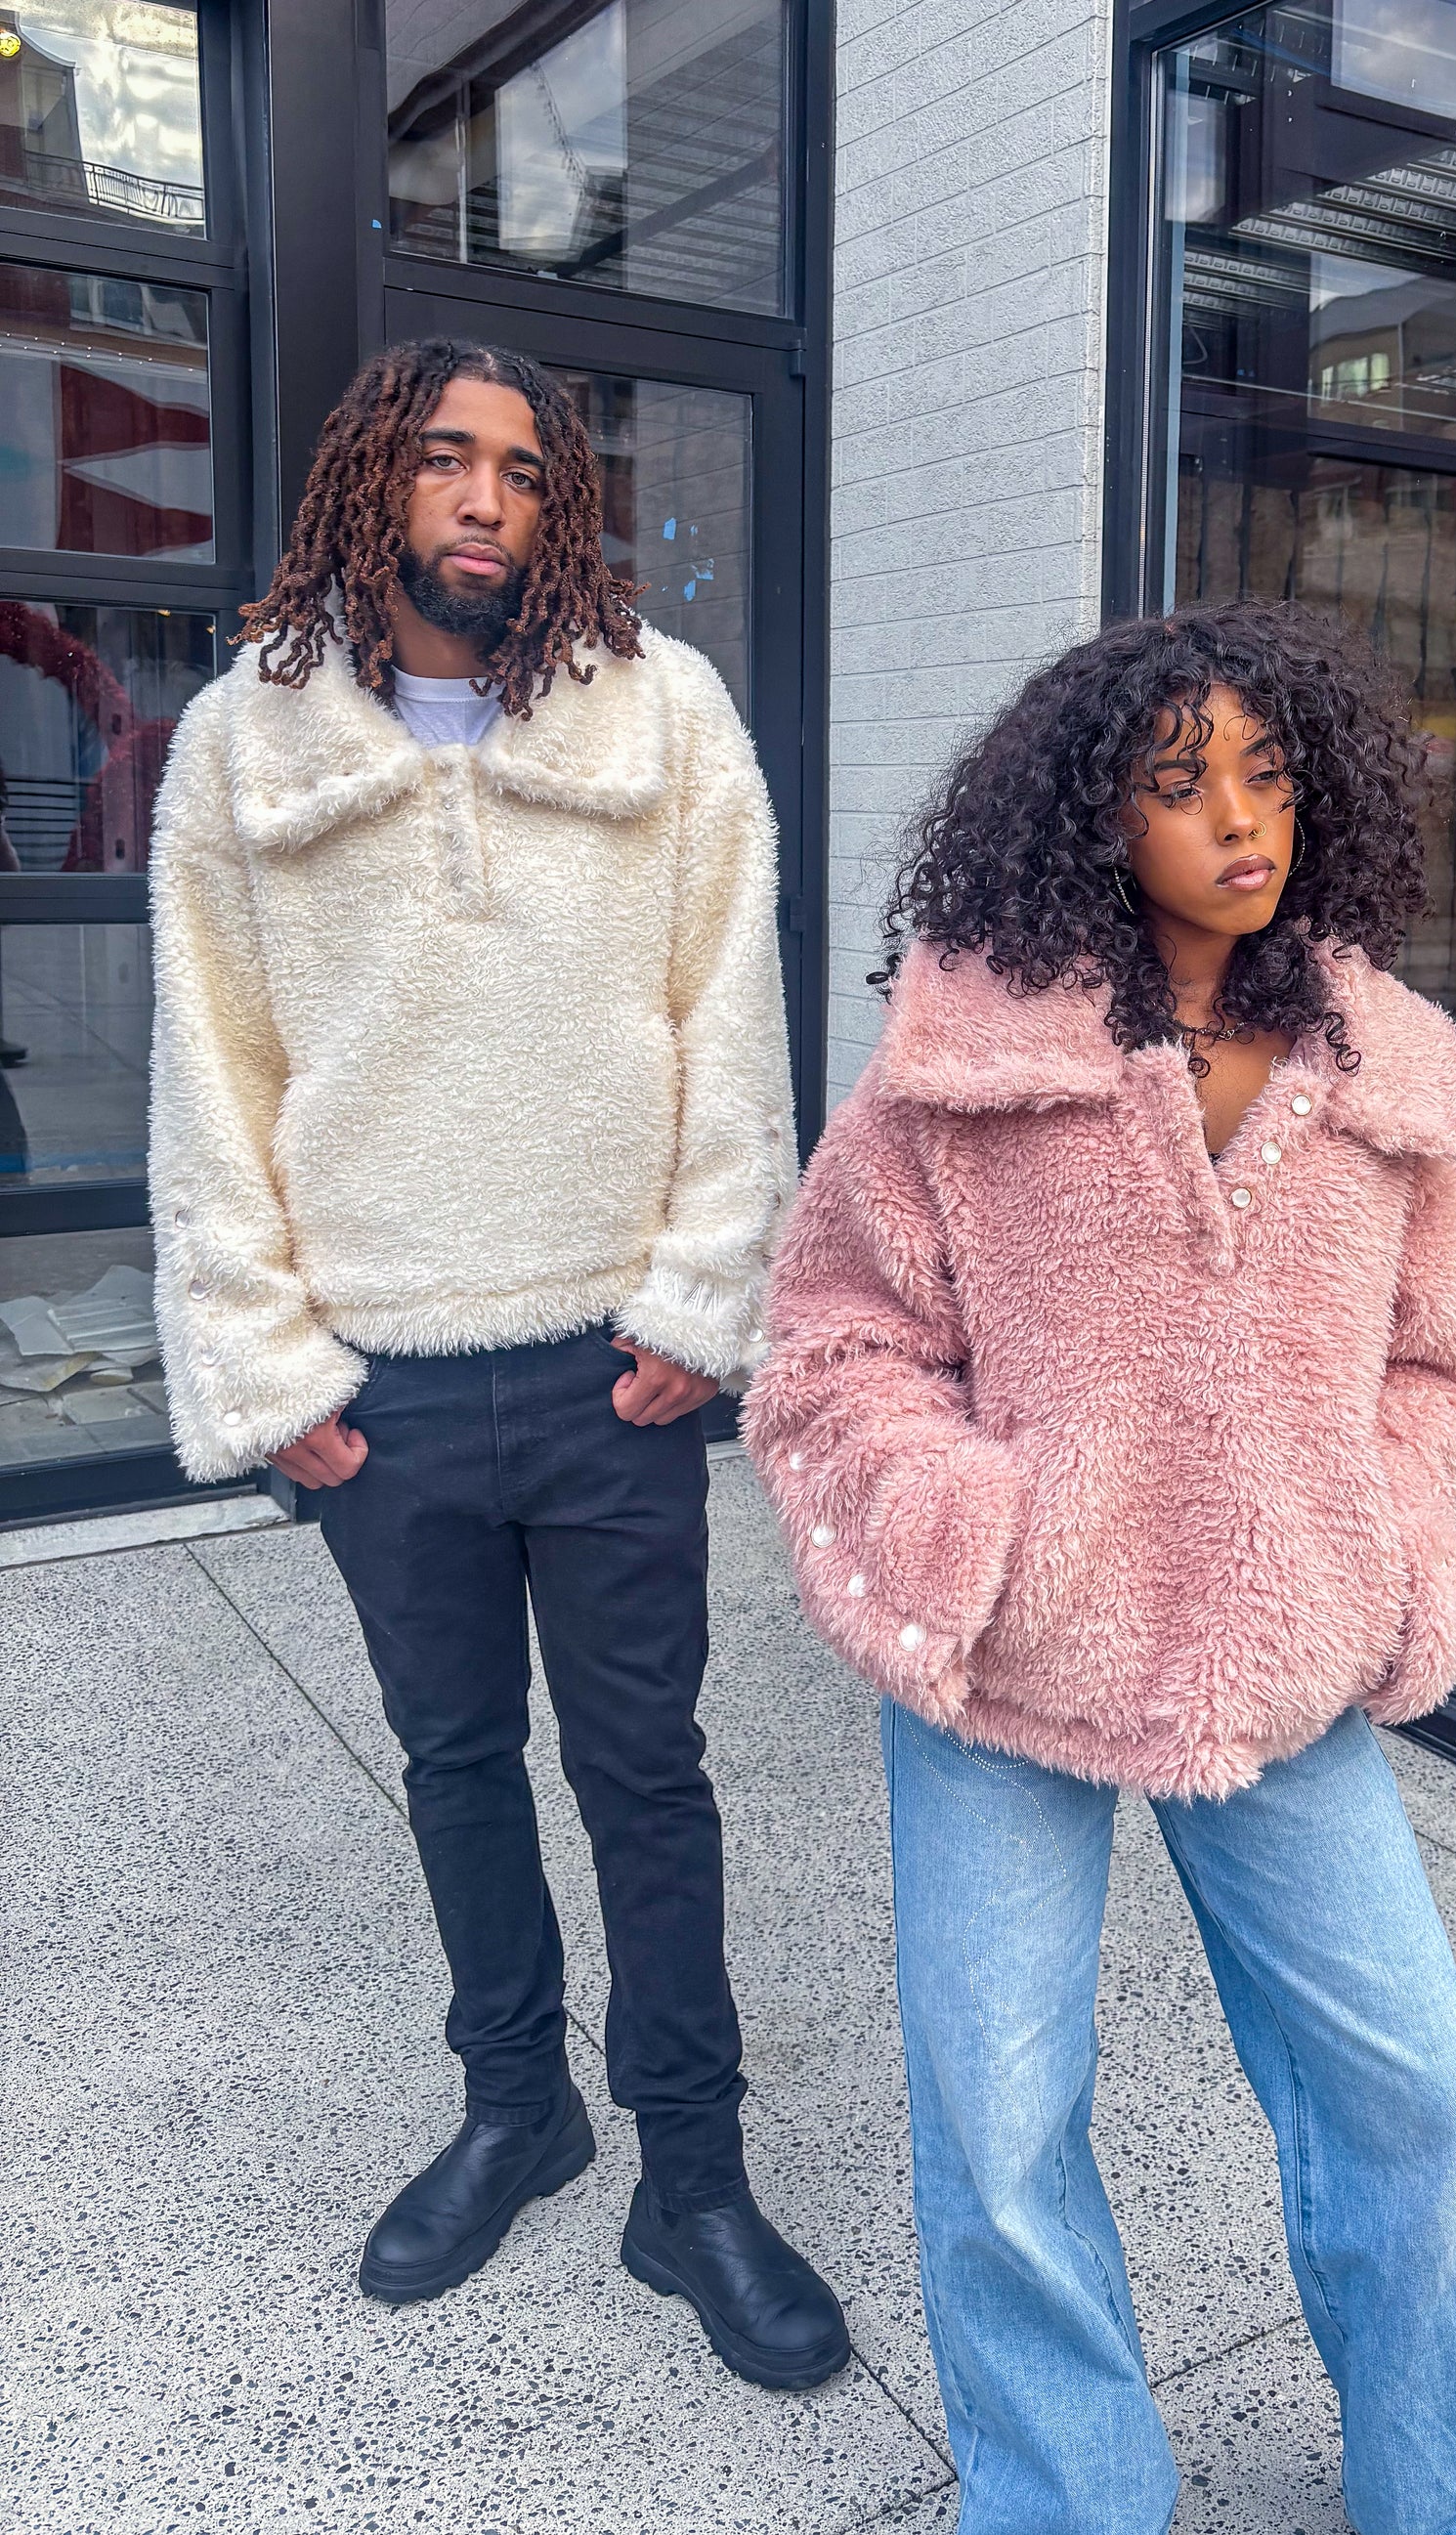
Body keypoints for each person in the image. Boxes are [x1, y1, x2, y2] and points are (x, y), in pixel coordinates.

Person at [746, 601, 1456, 2531]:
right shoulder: (967, 1062)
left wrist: (1374, 1539)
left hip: (1283, 1658)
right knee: (999, 2123)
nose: (1238, 818)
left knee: (1416, 2094)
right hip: (1011, 1664)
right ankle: (1064, 2498)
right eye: (1181, 781)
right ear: (1093, 814)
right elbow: (836, 1344)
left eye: (1268, 773)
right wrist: (976, 1539)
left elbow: (1435, 1361)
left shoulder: (1374, 1070)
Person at [146, 336, 848, 2388]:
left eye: (525, 470)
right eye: (445, 458)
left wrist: (704, 1298)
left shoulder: (664, 711)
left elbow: (731, 1017)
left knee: (648, 1777)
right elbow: (214, 1069)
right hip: (380, 1385)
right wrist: (272, 1363)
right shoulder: (241, 743)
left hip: (610, 1366)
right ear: (370, 480)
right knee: (456, 1764)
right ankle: (515, 2108)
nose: (484, 498)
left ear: (561, 505)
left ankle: (691, 2178)